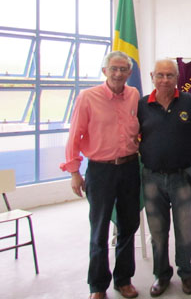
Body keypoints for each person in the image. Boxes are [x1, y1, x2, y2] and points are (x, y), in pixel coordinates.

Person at [60, 51, 140, 299]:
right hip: (100, 170)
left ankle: (124, 280)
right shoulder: (87, 97)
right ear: (104, 71)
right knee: (99, 229)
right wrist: (74, 172)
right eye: (113, 69)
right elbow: (74, 136)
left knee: (128, 225)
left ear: (129, 73)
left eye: (123, 69)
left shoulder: (134, 95)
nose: (118, 73)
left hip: (129, 168)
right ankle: (97, 285)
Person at [138, 59, 191, 297]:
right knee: (158, 233)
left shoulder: (190, 103)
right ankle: (161, 275)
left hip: (183, 176)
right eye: (160, 75)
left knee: (185, 231)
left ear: (177, 78)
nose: (165, 80)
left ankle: (186, 273)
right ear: (152, 76)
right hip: (152, 178)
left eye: (170, 75)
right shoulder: (141, 105)